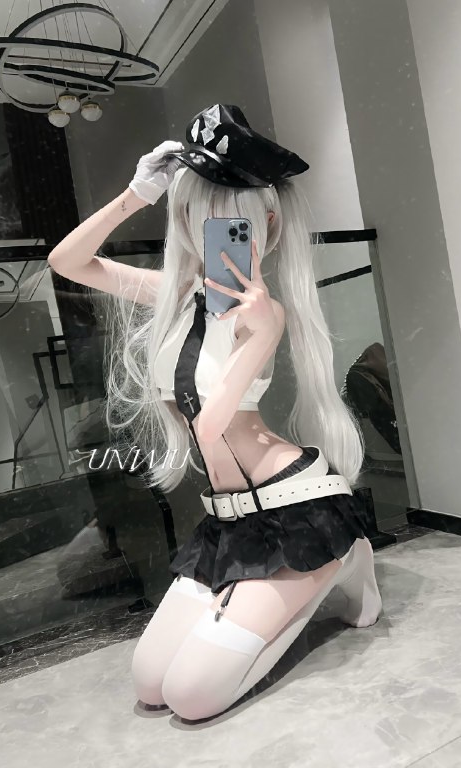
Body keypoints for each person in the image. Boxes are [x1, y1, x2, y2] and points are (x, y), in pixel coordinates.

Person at [48, 102, 382, 722]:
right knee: (150, 682)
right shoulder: (174, 296)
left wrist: (262, 333)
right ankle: (331, 565)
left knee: (191, 696)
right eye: (194, 216)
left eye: (230, 224)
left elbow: (209, 425)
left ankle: (341, 553)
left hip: (290, 506)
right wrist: (137, 195)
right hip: (227, 517)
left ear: (267, 225)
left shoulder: (265, 314)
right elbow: (66, 263)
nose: (210, 234)